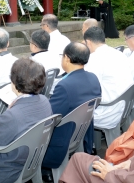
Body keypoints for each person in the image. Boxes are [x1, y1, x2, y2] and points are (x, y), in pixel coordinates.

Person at [41, 43, 102, 180]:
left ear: (66, 58)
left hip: (61, 139)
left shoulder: (64, 85)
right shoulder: (93, 78)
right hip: (82, 133)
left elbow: (50, 117)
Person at [83, 26, 133, 130]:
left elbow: (88, 90)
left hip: (107, 112)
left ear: (88, 42)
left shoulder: (93, 59)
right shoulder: (119, 53)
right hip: (125, 107)